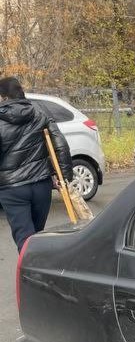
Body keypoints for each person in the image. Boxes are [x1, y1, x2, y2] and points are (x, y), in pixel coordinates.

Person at [0, 77, 73, 251]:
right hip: (41, 185)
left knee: (25, 241)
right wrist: (64, 177)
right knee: (36, 237)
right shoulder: (40, 113)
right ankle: (38, 270)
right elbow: (60, 145)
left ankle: (33, 274)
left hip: (13, 189)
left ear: (3, 97)